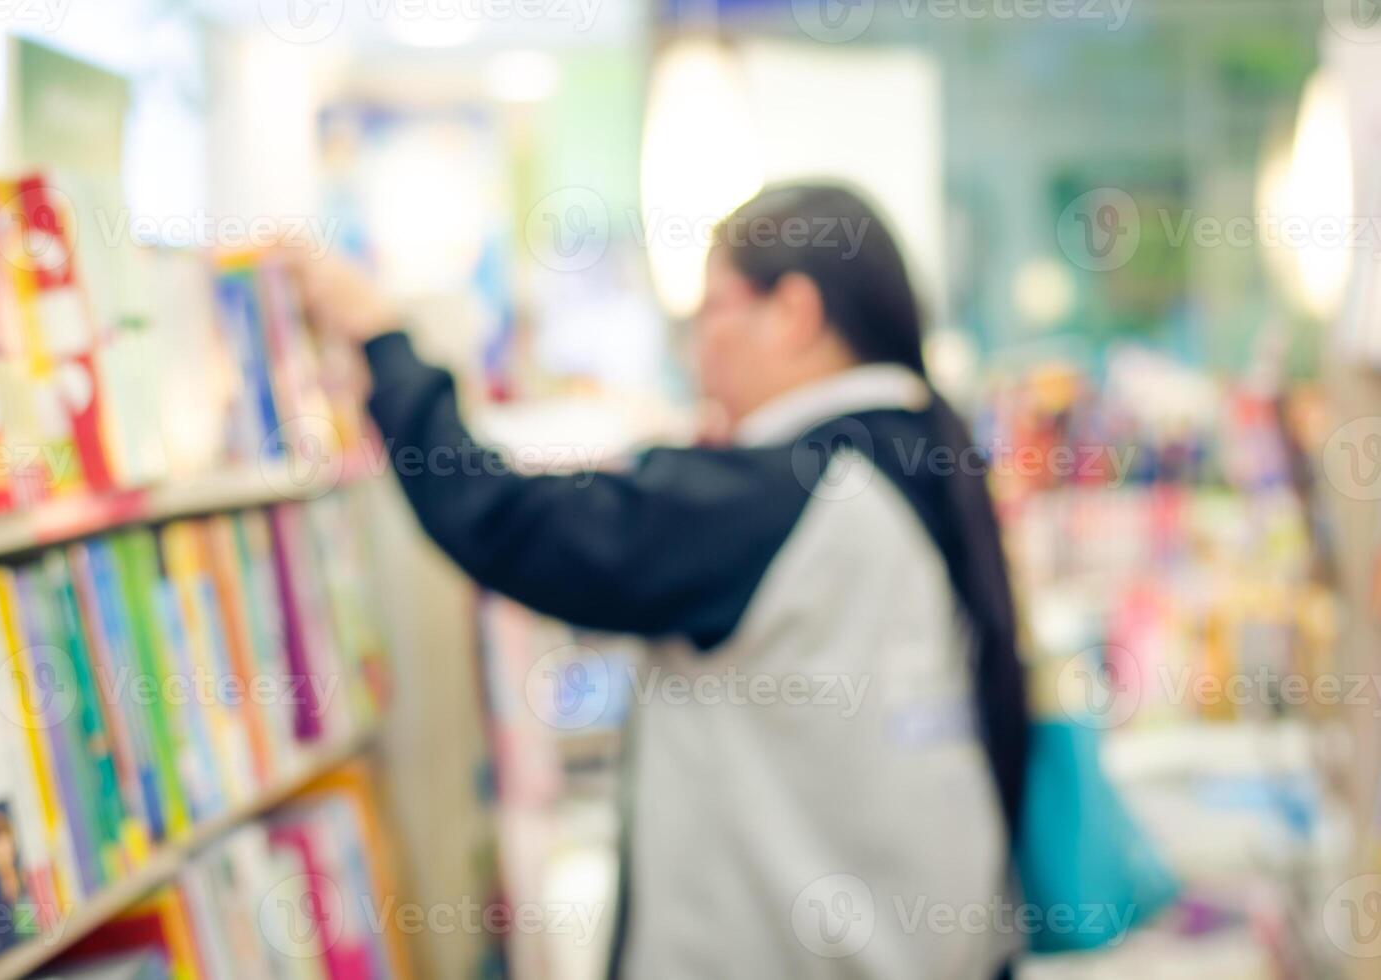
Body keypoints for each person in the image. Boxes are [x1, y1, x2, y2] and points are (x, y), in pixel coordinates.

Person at [300, 183, 1030, 979]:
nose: (697, 348)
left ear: (792, 313)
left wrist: (381, 341)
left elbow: (502, 518)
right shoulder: (912, 452)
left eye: (711, 310)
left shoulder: (787, 492)